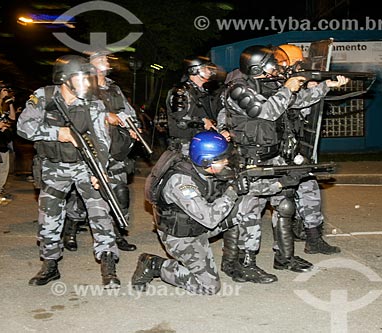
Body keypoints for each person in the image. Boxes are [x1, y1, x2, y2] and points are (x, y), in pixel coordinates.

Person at [217, 45, 348, 275]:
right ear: (257, 66)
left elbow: (298, 101)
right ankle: (245, 263)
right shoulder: (238, 90)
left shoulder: (271, 84)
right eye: (271, 62)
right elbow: (266, 112)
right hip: (252, 158)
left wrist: (327, 86)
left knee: (284, 205)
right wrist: (287, 88)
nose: (276, 66)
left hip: (275, 156)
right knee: (250, 210)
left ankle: (285, 257)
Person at [17, 54, 124, 288]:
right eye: (82, 78)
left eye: (88, 79)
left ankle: (108, 262)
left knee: (100, 210)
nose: (87, 83)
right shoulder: (43, 97)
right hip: (53, 166)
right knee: (50, 215)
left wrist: (100, 171)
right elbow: (24, 128)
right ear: (65, 79)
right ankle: (50, 263)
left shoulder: (93, 103)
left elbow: (101, 140)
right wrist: (59, 133)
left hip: (85, 165)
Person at [131, 131, 274, 295]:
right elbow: (209, 219)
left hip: (201, 224)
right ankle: (154, 265)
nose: (226, 161)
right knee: (209, 287)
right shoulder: (180, 182)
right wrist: (232, 191)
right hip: (182, 237)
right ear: (207, 162)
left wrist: (279, 184)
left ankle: (239, 263)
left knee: (250, 202)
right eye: (221, 159)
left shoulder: (203, 166)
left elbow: (245, 187)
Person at [61, 49, 139, 252]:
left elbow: (127, 111)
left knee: (120, 192)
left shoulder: (114, 88)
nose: (106, 61)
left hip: (116, 147)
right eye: (101, 58)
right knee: (85, 194)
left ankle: (118, 233)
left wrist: (133, 127)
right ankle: (71, 228)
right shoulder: (83, 85)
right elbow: (76, 112)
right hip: (92, 147)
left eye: (106, 58)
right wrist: (106, 115)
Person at [277, 43, 341, 254]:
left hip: (291, 147)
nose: (297, 67)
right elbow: (294, 103)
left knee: (306, 188)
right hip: (277, 150)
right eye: (295, 63)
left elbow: (303, 112)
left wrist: (314, 87)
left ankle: (309, 237)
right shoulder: (279, 84)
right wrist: (324, 87)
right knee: (279, 197)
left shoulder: (290, 82)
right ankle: (284, 249)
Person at [165, 55, 220, 155]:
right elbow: (181, 121)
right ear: (194, 70)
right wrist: (203, 122)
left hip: (202, 141)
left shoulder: (204, 92)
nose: (209, 71)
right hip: (185, 145)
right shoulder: (180, 92)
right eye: (206, 68)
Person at [0, 80, 17, 202]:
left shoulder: (6, 103)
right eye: (3, 90)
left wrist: (10, 103)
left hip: (4, 139)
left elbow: (12, 117)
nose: (6, 92)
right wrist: (0, 99)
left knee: (4, 166)